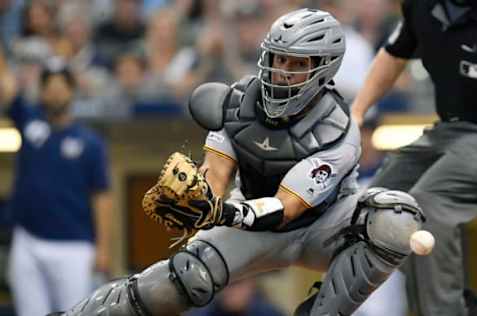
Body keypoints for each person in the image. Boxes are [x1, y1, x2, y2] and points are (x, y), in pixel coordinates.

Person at [51, 8, 425, 316]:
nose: (281, 71)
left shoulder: (338, 130)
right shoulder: (237, 102)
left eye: (295, 64)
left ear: (324, 68)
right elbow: (216, 173)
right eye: (278, 59)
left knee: (395, 217)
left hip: (324, 225)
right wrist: (204, 202)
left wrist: (226, 213)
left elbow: (289, 206)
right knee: (184, 277)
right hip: (252, 226)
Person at [350, 1, 477, 315]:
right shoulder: (422, 5)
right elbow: (394, 54)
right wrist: (356, 112)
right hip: (448, 128)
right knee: (374, 204)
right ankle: (337, 303)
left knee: (426, 202)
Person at [0, 58, 113, 316]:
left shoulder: (90, 143)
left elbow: (102, 197)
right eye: (48, 86)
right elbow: (6, 86)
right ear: (41, 92)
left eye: (61, 86)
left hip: (73, 245)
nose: (54, 91)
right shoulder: (31, 124)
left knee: (75, 313)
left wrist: (104, 248)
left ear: (72, 91)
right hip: (27, 240)